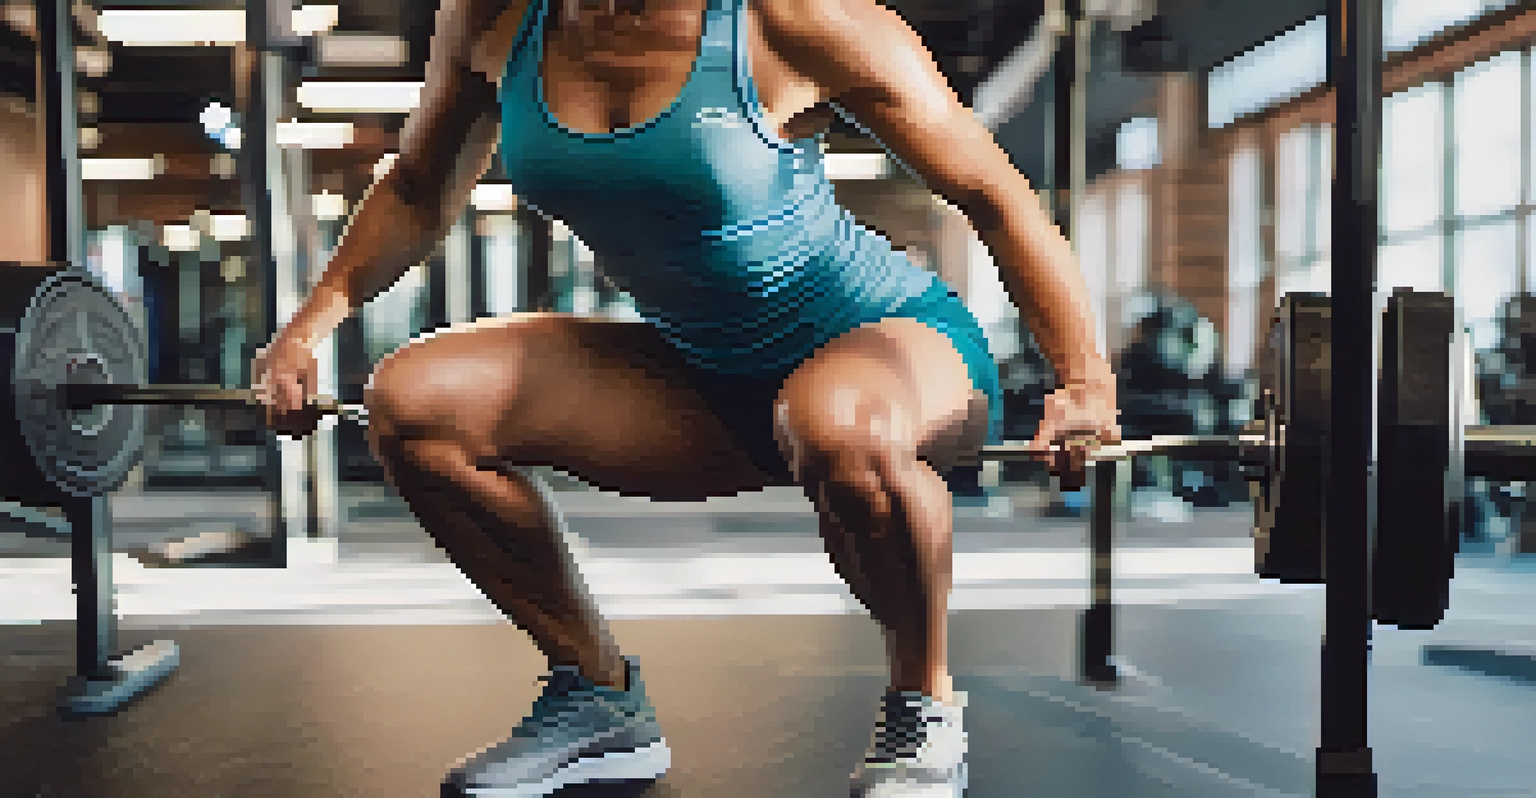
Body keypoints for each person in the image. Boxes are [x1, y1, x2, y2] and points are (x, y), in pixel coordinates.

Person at [252, 0, 1121, 795]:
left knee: (837, 421)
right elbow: (415, 185)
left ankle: (923, 708)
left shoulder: (795, 21)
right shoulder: (492, 17)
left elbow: (995, 195)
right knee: (414, 400)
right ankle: (598, 698)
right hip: (702, 373)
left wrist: (1082, 379)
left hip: (893, 347)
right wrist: (307, 330)